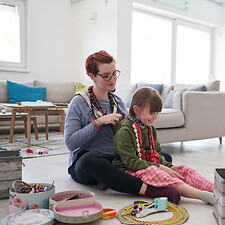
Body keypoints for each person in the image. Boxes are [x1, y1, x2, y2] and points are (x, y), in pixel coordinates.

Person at [64, 50, 181, 204]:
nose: (112, 79)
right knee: (91, 159)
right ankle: (151, 189)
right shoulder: (78, 103)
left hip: (116, 161)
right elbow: (71, 143)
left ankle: (112, 179)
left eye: (114, 74)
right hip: (88, 163)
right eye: (106, 76)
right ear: (92, 76)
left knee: (164, 157)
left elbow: (131, 133)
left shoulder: (117, 102)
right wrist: (99, 122)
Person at [113, 87, 214, 205]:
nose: (155, 117)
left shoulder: (150, 129)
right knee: (156, 172)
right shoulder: (125, 131)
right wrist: (160, 167)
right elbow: (131, 163)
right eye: (152, 113)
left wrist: (168, 167)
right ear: (136, 109)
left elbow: (156, 154)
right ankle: (204, 196)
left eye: (157, 113)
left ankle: (216, 189)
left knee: (183, 170)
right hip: (131, 170)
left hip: (151, 166)